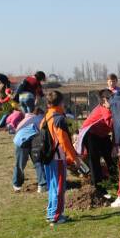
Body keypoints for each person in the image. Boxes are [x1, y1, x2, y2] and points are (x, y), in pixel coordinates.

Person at [43, 91, 84, 224]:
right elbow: (64, 141)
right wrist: (74, 158)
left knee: (52, 186)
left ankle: (51, 213)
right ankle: (56, 216)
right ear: (61, 102)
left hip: (47, 156)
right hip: (57, 157)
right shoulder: (59, 118)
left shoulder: (47, 115)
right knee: (59, 186)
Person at [75, 89, 116, 197]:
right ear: (103, 100)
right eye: (110, 98)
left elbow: (115, 128)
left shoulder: (112, 107)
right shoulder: (104, 108)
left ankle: (117, 184)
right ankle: (98, 187)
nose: (113, 100)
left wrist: (115, 144)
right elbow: (112, 124)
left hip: (102, 135)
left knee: (110, 158)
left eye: (113, 97)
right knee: (94, 160)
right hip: (90, 134)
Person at [12, 109, 47, 193]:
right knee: (21, 163)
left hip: (33, 139)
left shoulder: (31, 118)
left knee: (38, 161)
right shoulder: (39, 118)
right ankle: (17, 184)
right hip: (22, 141)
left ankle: (42, 184)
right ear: (40, 114)